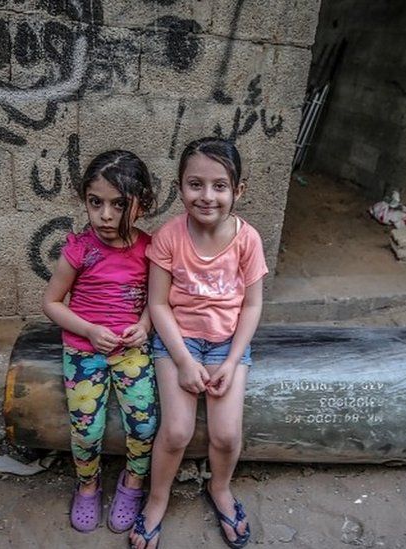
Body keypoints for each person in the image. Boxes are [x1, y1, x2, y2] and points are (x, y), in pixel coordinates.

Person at [130, 138, 267, 549]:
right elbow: (157, 303)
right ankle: (157, 499)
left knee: (225, 435)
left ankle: (220, 489)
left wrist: (231, 361)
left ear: (238, 190)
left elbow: (253, 305)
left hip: (228, 345)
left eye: (220, 186)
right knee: (175, 431)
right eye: (195, 184)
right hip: (177, 342)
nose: (207, 196)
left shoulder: (248, 240)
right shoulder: (169, 237)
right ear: (179, 187)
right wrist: (185, 360)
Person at [42, 149, 158, 534]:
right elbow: (51, 303)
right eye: (96, 203)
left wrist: (144, 326)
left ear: (142, 204)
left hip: (131, 353)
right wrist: (89, 330)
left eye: (119, 204)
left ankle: (133, 483)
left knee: (143, 426)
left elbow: (159, 301)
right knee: (87, 430)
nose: (105, 215)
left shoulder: (151, 250)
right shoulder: (80, 249)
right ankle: (88, 486)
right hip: (83, 353)